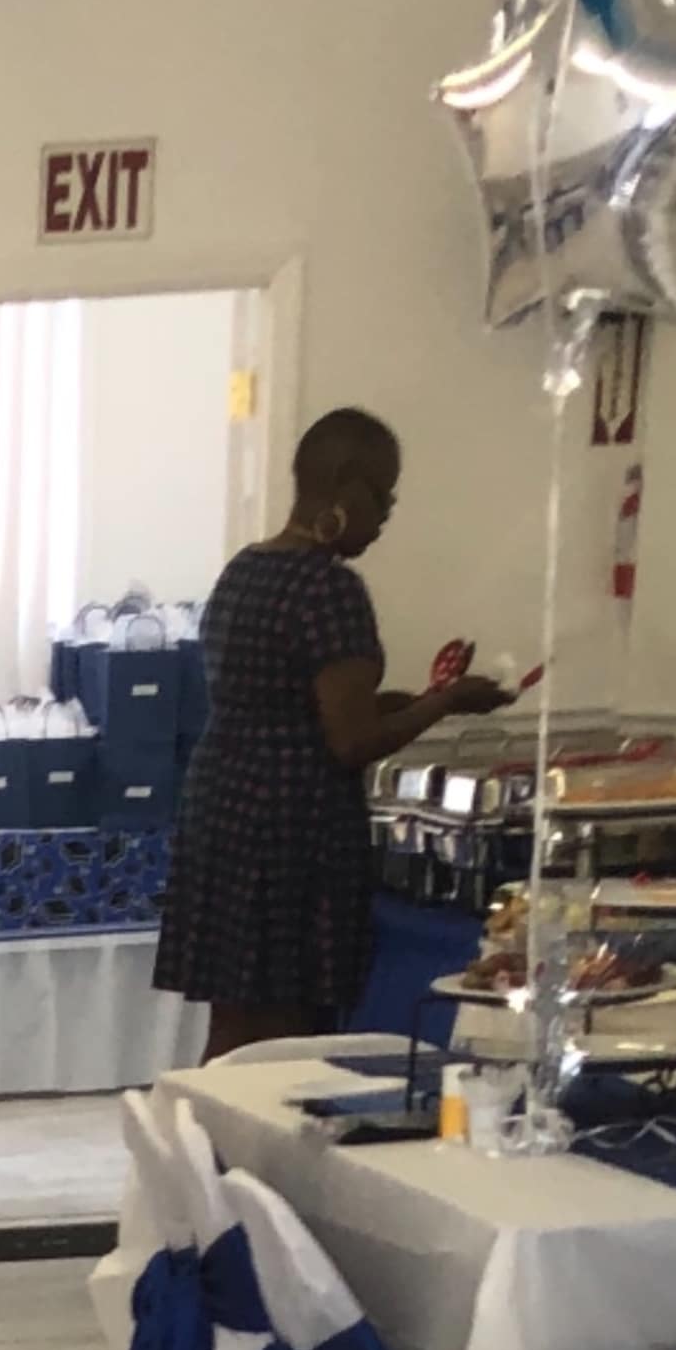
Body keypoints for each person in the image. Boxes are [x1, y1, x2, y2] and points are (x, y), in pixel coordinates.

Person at [151, 409, 512, 1054]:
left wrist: (428, 700)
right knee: (291, 1038)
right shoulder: (329, 588)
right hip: (292, 829)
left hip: (221, 812)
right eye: (384, 496)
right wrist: (446, 700)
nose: (387, 515)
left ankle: (197, 1122)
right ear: (346, 487)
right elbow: (350, 741)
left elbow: (294, 702)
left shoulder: (244, 570)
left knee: (234, 1026)